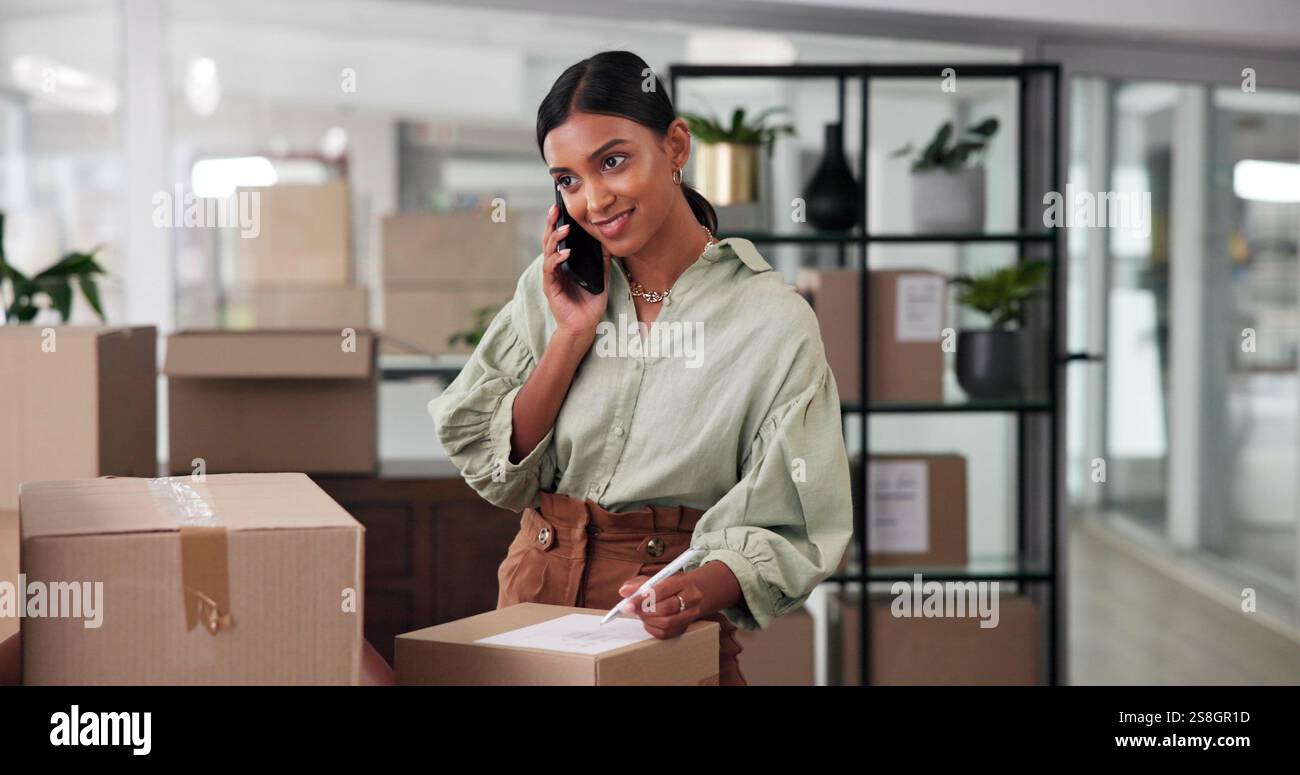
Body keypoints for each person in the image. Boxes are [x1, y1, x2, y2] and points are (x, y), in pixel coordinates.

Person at [430, 50, 853, 686]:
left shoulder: (772, 319)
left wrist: (700, 588)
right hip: (532, 592)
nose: (594, 200)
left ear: (675, 145)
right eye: (567, 179)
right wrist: (570, 336)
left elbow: (797, 520)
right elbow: (499, 469)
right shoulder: (549, 287)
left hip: (664, 612)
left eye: (613, 161)